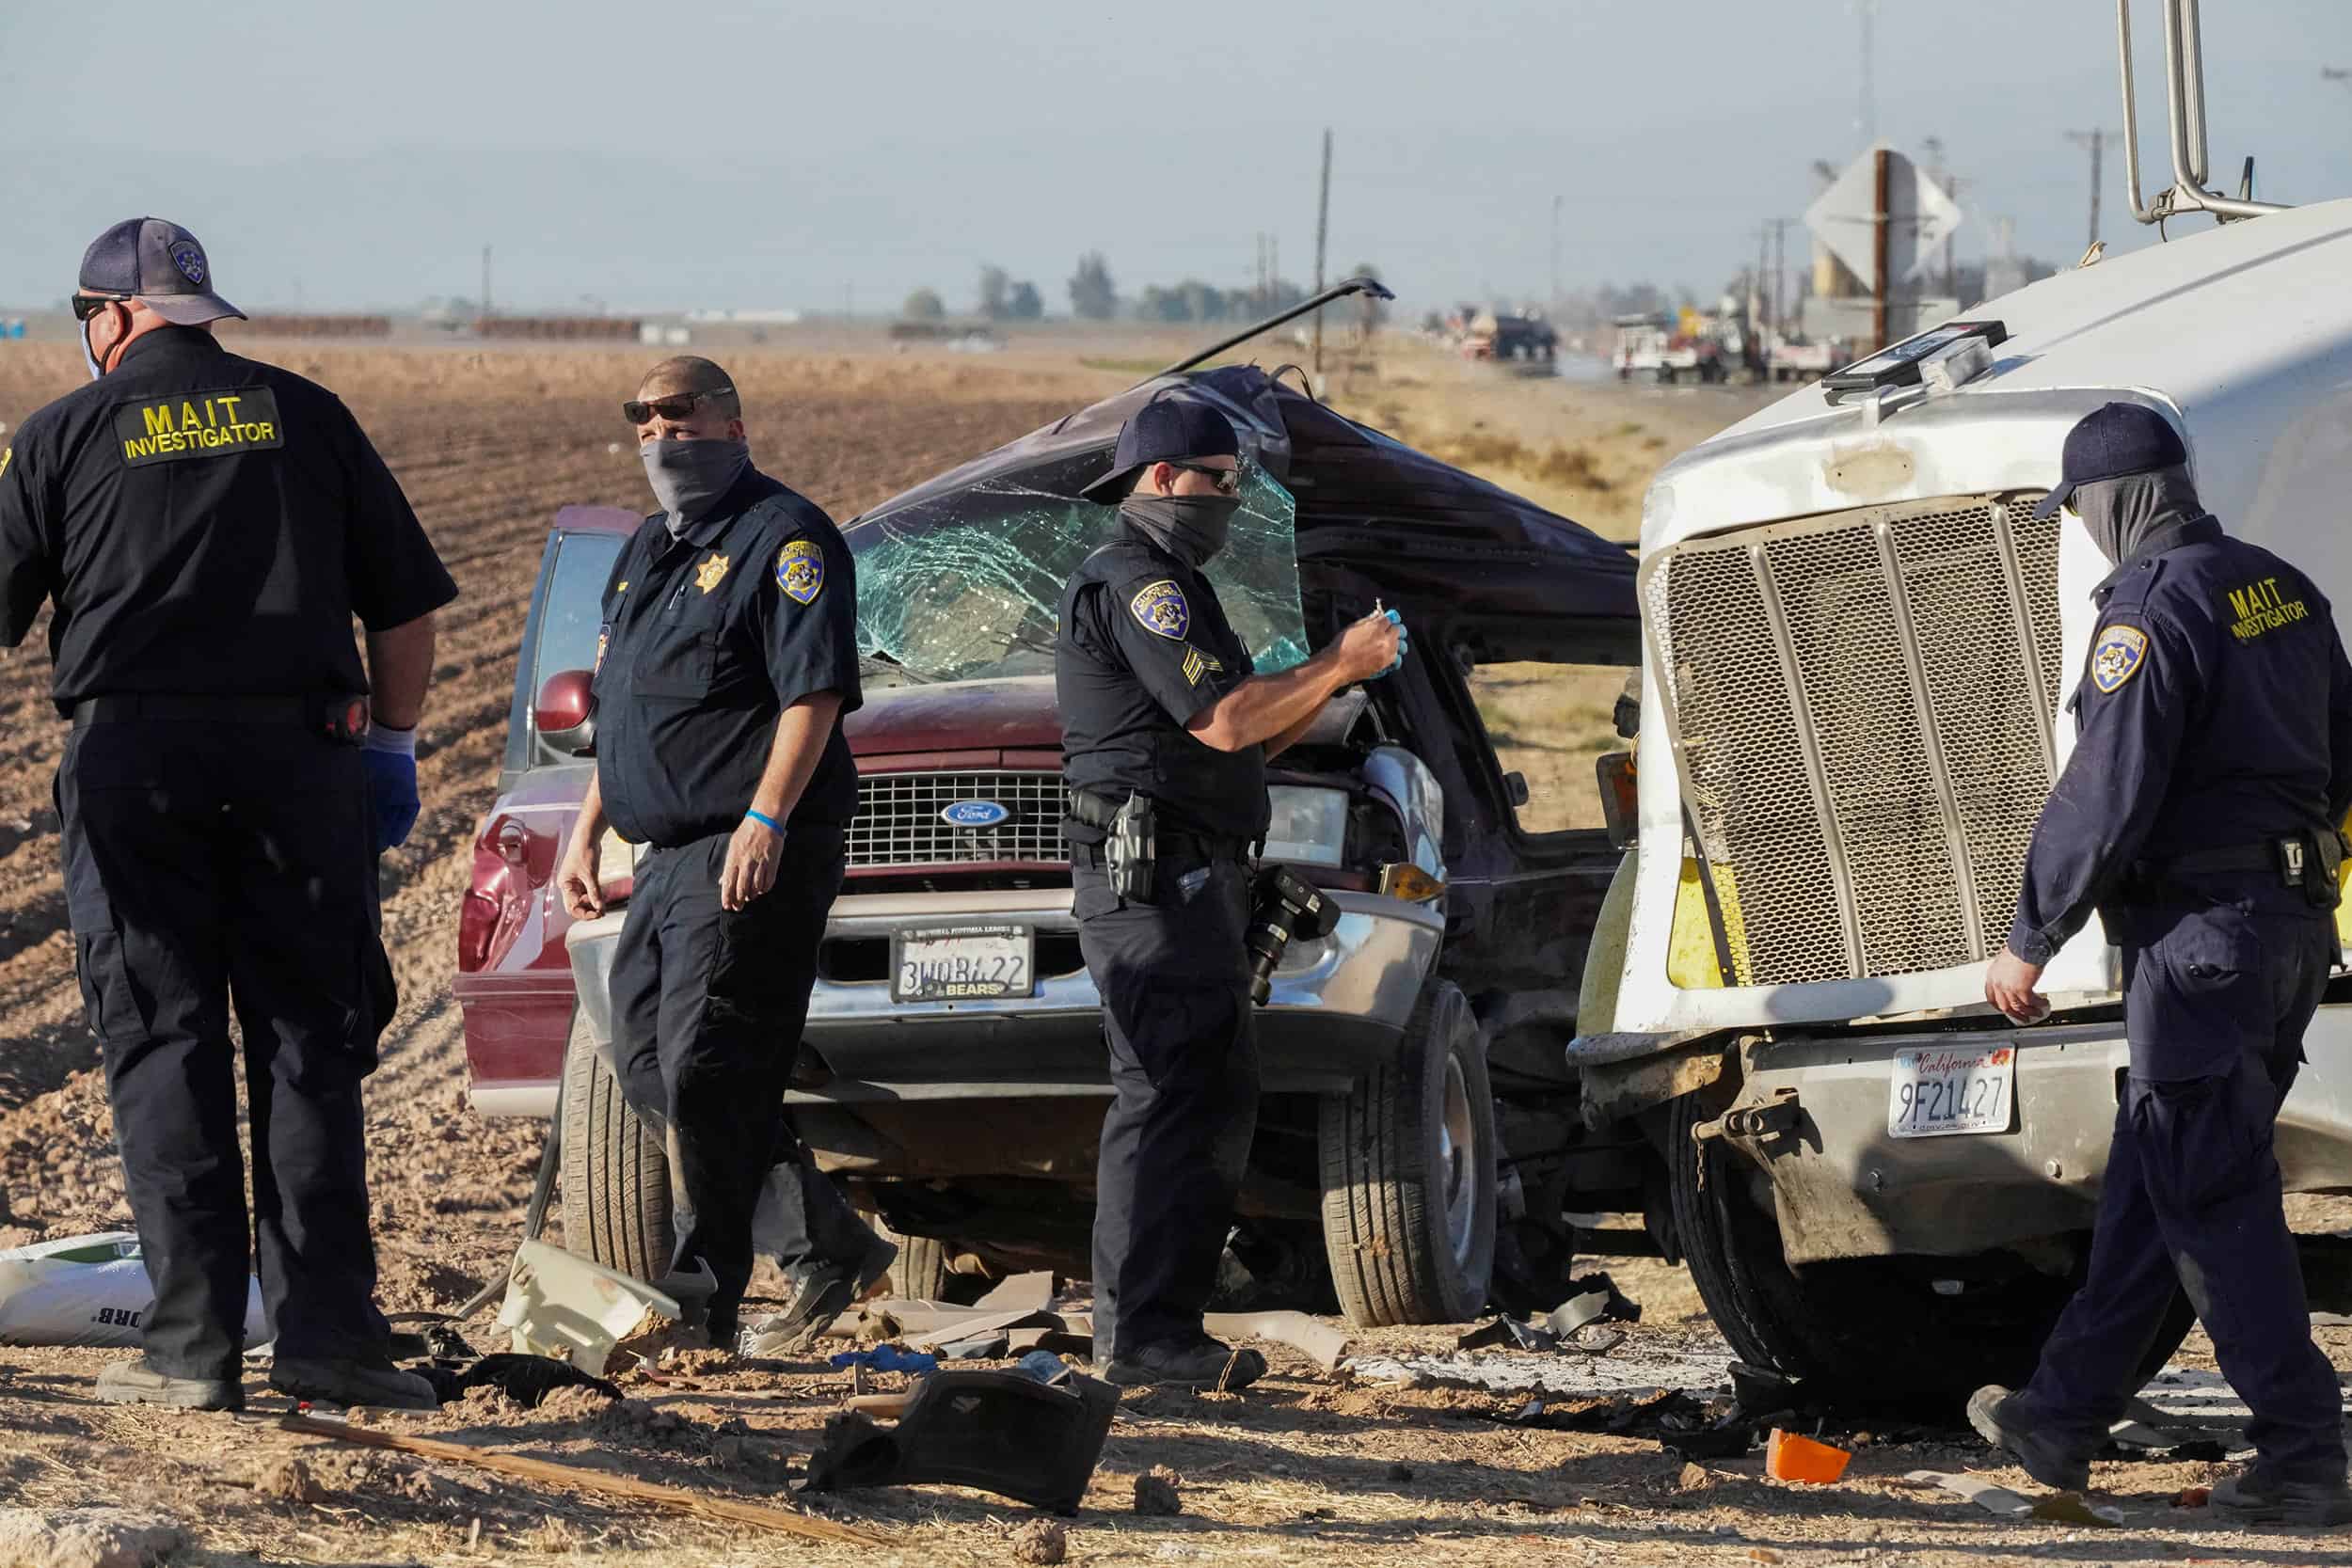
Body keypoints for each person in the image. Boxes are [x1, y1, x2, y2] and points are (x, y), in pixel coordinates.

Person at [0, 218, 457, 1411]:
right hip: (301, 760)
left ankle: (193, 1351)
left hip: (130, 761)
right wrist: (395, 748)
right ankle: (330, 1344)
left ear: (108, 318)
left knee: (164, 1036)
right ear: (200, 308)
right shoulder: (307, 414)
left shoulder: (59, 434)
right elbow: (401, 609)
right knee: (309, 1038)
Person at [1975, 403, 2352, 1525]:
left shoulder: (2146, 611)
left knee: (2214, 1192)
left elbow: (2107, 785)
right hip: (2286, 928)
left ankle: (2302, 1448)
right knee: (2167, 1169)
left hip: (2197, 943)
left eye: (2081, 509)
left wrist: (2029, 931)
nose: (2084, 531)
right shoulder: (2275, 584)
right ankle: (2062, 1410)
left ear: (2115, 499)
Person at [1057, 396, 1403, 1387]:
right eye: (1219, 479)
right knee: (1169, 1094)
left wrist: (1335, 681)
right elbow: (1220, 720)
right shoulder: (1138, 584)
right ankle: (1142, 1337)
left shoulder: (1175, 584)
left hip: (1191, 868)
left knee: (1206, 1091)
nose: (1229, 499)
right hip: (1151, 876)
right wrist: (1338, 658)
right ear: (1162, 478)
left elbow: (1254, 731)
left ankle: (1163, 1328)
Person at [558, 356, 892, 1352]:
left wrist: (767, 818)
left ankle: (707, 1291)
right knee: (650, 1062)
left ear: (734, 426)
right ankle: (823, 1238)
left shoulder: (784, 538)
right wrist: (586, 828)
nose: (661, 433)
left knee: (709, 1063)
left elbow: (814, 694)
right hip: (663, 852)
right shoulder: (647, 551)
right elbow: (624, 711)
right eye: (645, 418)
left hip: (745, 844)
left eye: (681, 415)